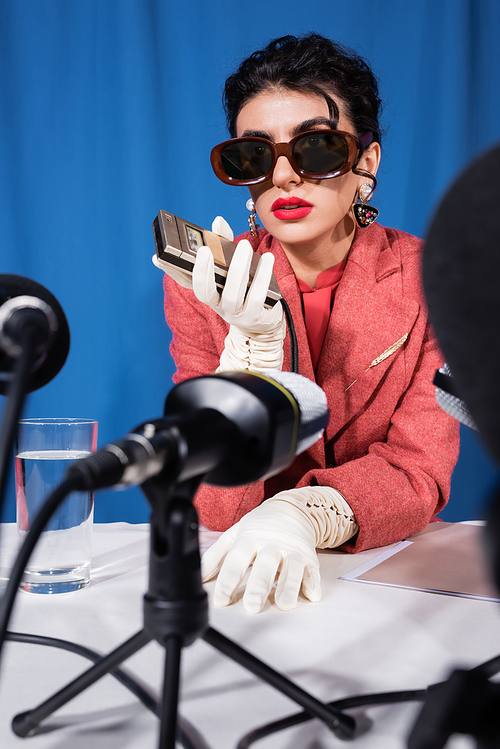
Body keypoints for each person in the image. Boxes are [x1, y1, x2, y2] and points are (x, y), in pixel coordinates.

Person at [154, 33, 460, 614]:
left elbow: (419, 470)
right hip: (242, 582)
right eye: (256, 154)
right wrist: (249, 366)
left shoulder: (436, 278)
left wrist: (303, 513)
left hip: (381, 575)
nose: (286, 177)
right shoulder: (199, 283)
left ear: (366, 161)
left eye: (317, 148)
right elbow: (210, 502)